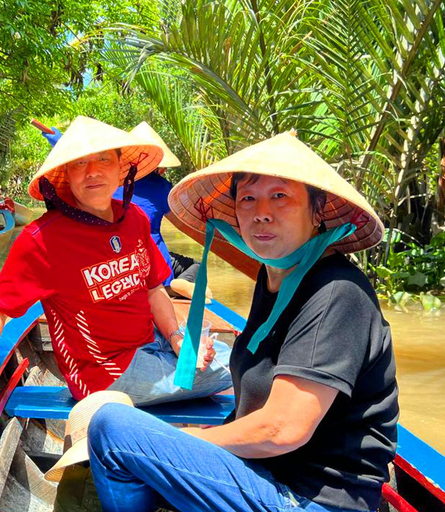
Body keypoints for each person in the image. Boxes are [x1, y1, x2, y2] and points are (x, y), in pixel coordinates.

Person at [86, 131, 399, 512]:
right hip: (267, 477)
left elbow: (283, 429)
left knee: (111, 427)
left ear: (317, 212)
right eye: (248, 198)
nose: (261, 211)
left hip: (307, 500)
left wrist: (191, 438)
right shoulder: (274, 277)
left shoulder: (336, 291)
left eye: (280, 196)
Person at [0, 116, 232, 408]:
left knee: (226, 353)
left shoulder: (135, 219)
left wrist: (177, 337)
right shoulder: (42, 239)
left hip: (153, 343)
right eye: (80, 163)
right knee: (241, 367)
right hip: (104, 373)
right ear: (67, 175)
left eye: (104, 160)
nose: (92, 172)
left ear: (121, 170)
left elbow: (154, 290)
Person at [44, 121, 208, 300]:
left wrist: (61, 141)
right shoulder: (162, 187)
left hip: (114, 264)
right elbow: (185, 225)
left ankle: (170, 285)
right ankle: (172, 286)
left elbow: (81, 160)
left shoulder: (106, 183)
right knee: (197, 265)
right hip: (154, 263)